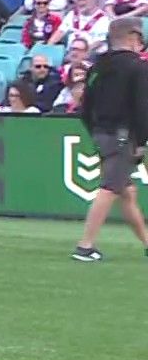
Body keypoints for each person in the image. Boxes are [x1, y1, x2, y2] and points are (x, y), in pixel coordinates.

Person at [72, 16, 148, 261]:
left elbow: (85, 107)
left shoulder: (97, 67)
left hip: (101, 134)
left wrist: (95, 130)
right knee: (109, 189)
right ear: (133, 38)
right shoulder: (138, 67)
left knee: (127, 192)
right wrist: (141, 141)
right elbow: (142, 107)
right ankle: (85, 246)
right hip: (123, 137)